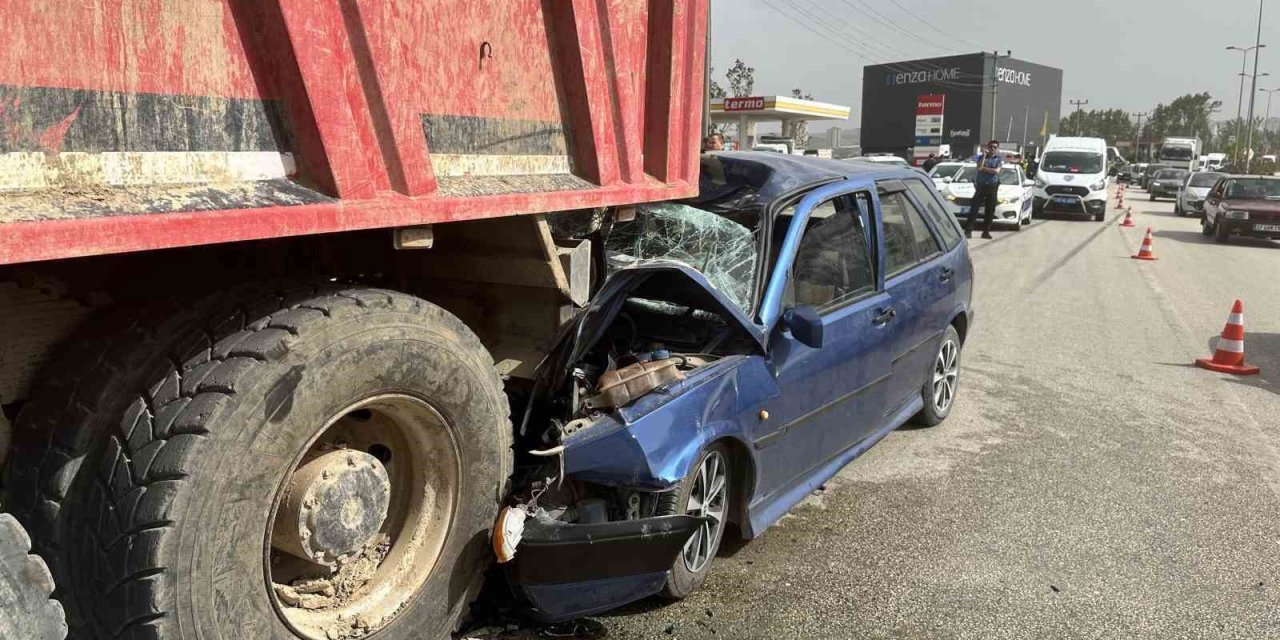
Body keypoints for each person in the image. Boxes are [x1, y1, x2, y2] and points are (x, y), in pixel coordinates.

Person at [965, 139, 1003, 239]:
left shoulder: (998, 159)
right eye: (991, 147)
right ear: (988, 147)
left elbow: (997, 171)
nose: (992, 149)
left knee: (990, 210)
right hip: (981, 185)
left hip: (992, 186)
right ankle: (968, 231)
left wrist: (985, 169)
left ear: (997, 149)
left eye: (995, 147)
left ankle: (986, 231)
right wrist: (984, 156)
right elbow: (979, 167)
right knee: (974, 209)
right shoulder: (982, 157)